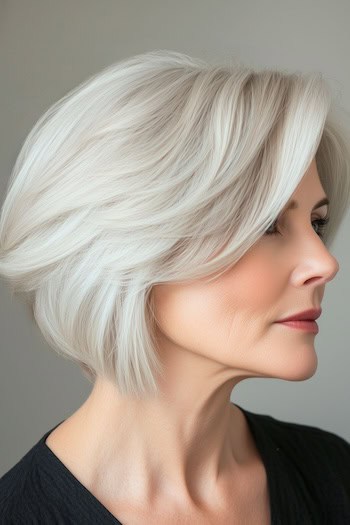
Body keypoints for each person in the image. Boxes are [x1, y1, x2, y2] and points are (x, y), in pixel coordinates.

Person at [1, 50, 350, 525]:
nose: (324, 263)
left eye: (318, 221)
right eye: (268, 224)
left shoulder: (333, 474)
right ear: (133, 245)